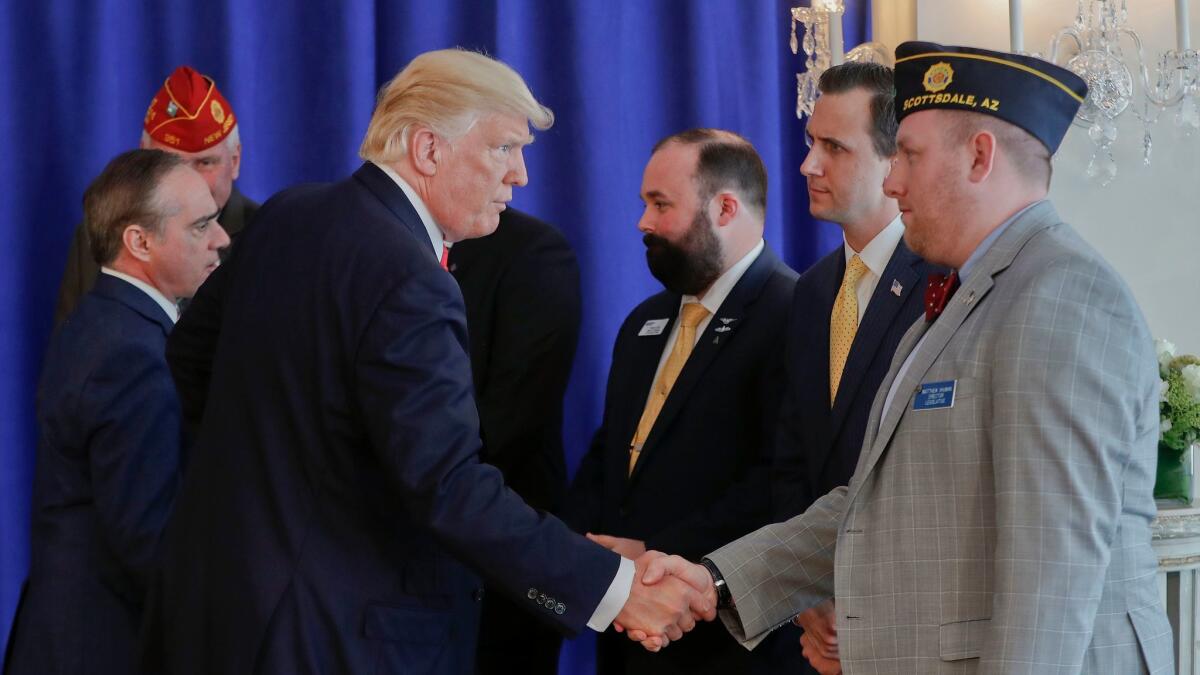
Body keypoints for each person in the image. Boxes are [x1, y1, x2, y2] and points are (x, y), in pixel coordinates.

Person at [146, 49, 710, 675]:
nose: (519, 175)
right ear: (428, 150)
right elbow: (449, 487)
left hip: (218, 606)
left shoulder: (289, 214)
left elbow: (189, 356)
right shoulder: (410, 277)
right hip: (333, 632)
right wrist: (617, 589)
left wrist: (279, 485)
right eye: (503, 148)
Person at [638, 42, 1175, 674]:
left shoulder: (1059, 297)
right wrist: (715, 581)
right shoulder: (963, 294)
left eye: (910, 157)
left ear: (980, 157)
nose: (892, 181)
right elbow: (870, 501)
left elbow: (1049, 576)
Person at [562, 128, 797, 674]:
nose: (644, 223)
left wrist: (651, 551)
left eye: (660, 205)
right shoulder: (644, 320)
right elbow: (611, 452)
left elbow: (780, 480)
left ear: (725, 208)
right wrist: (583, 551)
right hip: (626, 626)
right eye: (644, 204)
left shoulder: (794, 313)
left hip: (725, 641)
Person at [4, 149, 229, 675]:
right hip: (102, 647)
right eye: (201, 226)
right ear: (140, 242)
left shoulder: (105, 322)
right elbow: (148, 540)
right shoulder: (129, 353)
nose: (220, 240)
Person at [763, 62, 942, 675]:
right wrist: (807, 599)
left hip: (906, 626)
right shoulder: (810, 292)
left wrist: (860, 607)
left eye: (833, 148)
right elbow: (793, 463)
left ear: (895, 163)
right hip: (812, 635)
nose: (809, 165)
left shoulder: (944, 286)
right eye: (812, 143)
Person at [448, 208, 582, 674]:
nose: (518, 173)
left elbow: (507, 425)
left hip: (497, 573)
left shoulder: (534, 254)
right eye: (503, 149)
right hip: (384, 575)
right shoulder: (383, 242)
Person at [55, 65, 257, 324]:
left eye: (205, 163)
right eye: (169, 163)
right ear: (143, 159)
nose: (189, 179)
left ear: (235, 160)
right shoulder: (99, 235)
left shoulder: (268, 238)